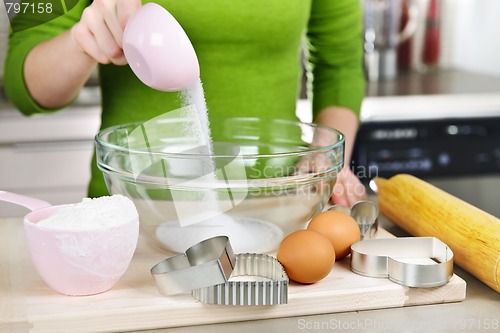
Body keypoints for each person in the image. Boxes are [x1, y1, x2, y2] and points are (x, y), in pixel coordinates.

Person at [4, 0, 367, 206]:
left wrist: (324, 155)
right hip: (137, 209)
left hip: (275, 204)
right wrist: (82, 41)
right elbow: (25, 84)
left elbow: (341, 64)